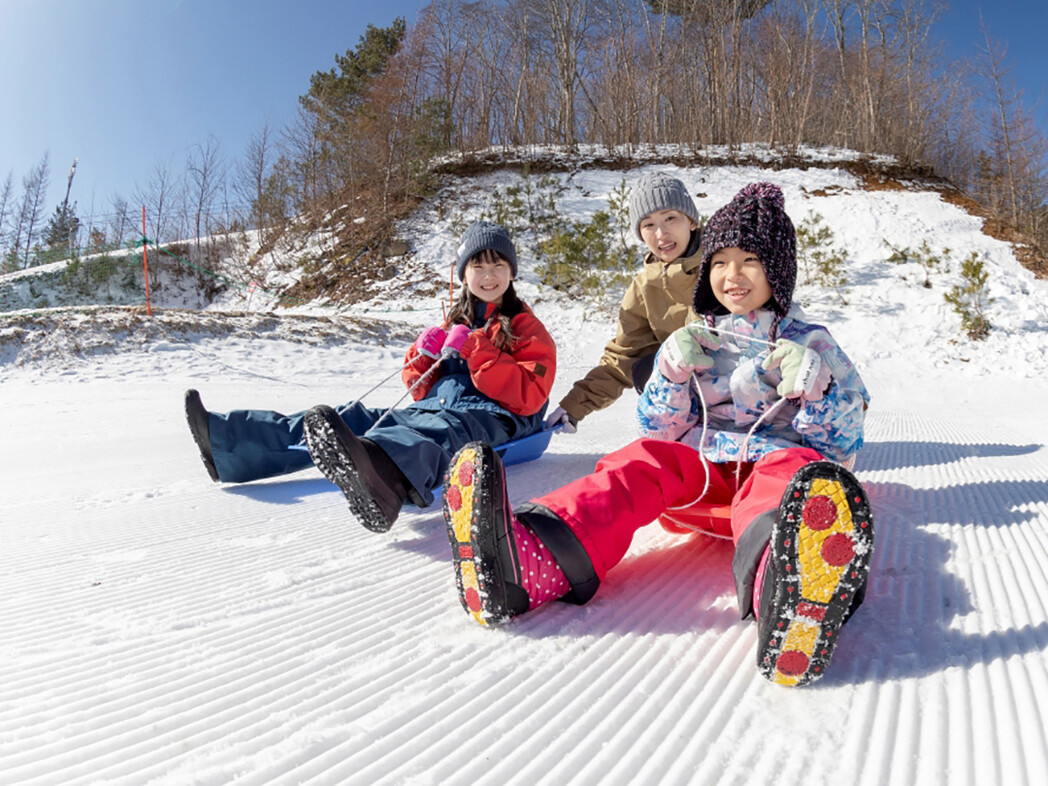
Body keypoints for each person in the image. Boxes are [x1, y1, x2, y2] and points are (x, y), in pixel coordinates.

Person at [441, 183, 874, 687]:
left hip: (776, 466)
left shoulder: (810, 340)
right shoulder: (695, 335)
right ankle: (536, 556)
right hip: (704, 469)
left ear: (777, 270)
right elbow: (659, 428)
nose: (732, 276)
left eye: (750, 261)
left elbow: (840, 446)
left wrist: (818, 385)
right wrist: (668, 372)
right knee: (642, 458)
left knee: (792, 473)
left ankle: (786, 586)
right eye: (720, 263)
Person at [184, 221, 556, 533]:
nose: (488, 276)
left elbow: (530, 397)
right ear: (464, 275)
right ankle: (227, 443)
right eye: (478, 267)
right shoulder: (455, 322)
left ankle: (384, 482)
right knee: (354, 418)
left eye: (498, 267)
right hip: (437, 405)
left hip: (494, 417)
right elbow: (417, 389)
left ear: (511, 273)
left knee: (443, 431)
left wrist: (479, 350)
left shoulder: (527, 328)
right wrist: (421, 354)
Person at [545, 171, 702, 433]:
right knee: (644, 367)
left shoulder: (722, 266)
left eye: (670, 218)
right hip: (686, 400)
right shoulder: (644, 287)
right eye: (648, 225)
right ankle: (679, 436)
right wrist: (574, 405)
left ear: (691, 222)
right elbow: (622, 358)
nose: (661, 233)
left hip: (736, 385)